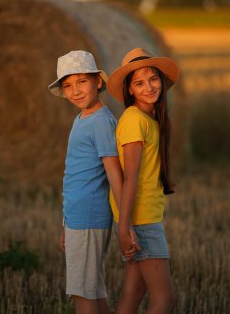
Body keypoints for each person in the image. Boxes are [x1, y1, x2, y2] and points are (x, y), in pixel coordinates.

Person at [48, 50, 130, 314]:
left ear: (97, 81)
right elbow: (74, 176)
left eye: (81, 81)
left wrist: (124, 225)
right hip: (77, 217)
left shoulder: (100, 122)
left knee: (82, 295)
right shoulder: (82, 118)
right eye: (68, 86)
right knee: (92, 291)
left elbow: (114, 173)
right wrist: (66, 224)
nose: (75, 91)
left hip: (89, 216)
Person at [107, 48, 180, 314]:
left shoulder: (149, 119)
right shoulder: (135, 121)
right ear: (130, 90)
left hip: (142, 216)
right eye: (139, 83)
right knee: (163, 300)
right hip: (142, 220)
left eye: (153, 79)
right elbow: (130, 179)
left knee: (133, 293)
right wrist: (125, 229)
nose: (149, 87)